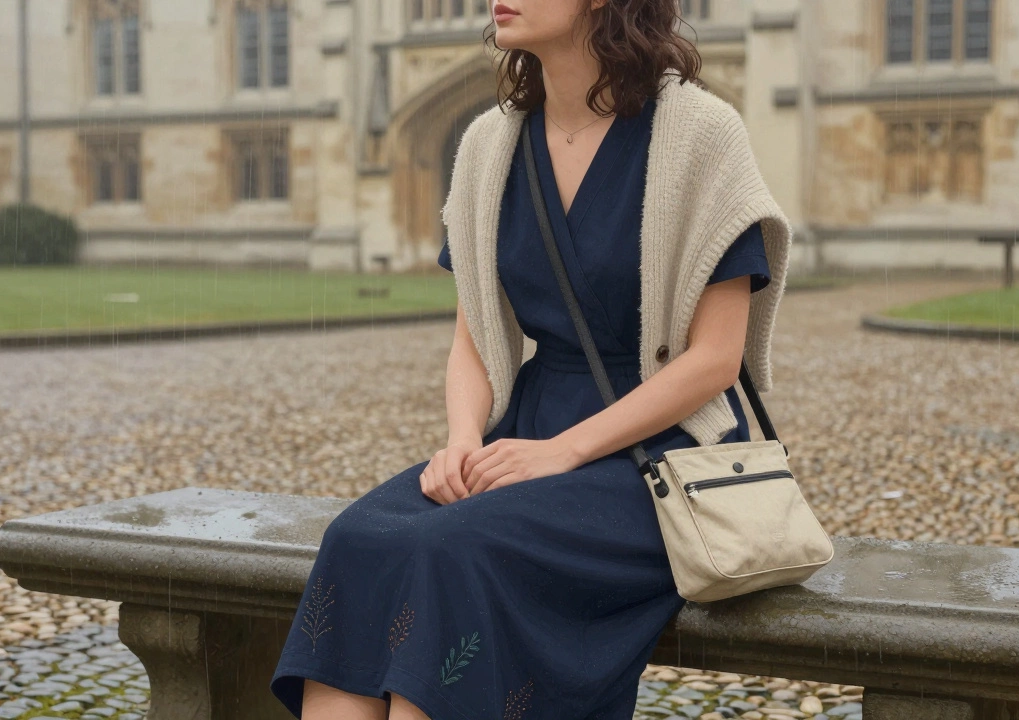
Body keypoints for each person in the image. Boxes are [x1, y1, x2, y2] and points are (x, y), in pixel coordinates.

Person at [269, 0, 792, 717]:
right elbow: (476, 338)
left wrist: (563, 453)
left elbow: (713, 362)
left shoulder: (702, 133)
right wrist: (461, 440)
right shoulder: (489, 144)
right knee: (359, 539)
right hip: (530, 423)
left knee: (456, 549)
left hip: (663, 454)